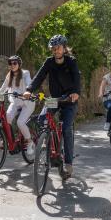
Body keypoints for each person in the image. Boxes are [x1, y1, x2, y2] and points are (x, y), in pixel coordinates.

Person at [23, 34, 80, 176]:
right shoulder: (49, 62)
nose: (56, 51)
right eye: (53, 49)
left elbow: (76, 78)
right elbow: (39, 76)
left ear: (64, 48)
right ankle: (47, 141)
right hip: (54, 98)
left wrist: (76, 92)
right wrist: (29, 90)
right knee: (42, 119)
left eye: (58, 48)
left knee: (66, 128)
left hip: (69, 99)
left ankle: (68, 163)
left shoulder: (71, 61)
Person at [0, 55, 36, 156]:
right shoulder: (9, 75)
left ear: (19, 64)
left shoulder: (25, 73)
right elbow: (3, 89)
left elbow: (29, 84)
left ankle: (29, 142)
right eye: (10, 63)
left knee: (20, 122)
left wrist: (28, 91)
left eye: (14, 63)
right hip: (15, 102)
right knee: (7, 119)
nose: (12, 65)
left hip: (27, 103)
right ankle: (8, 140)